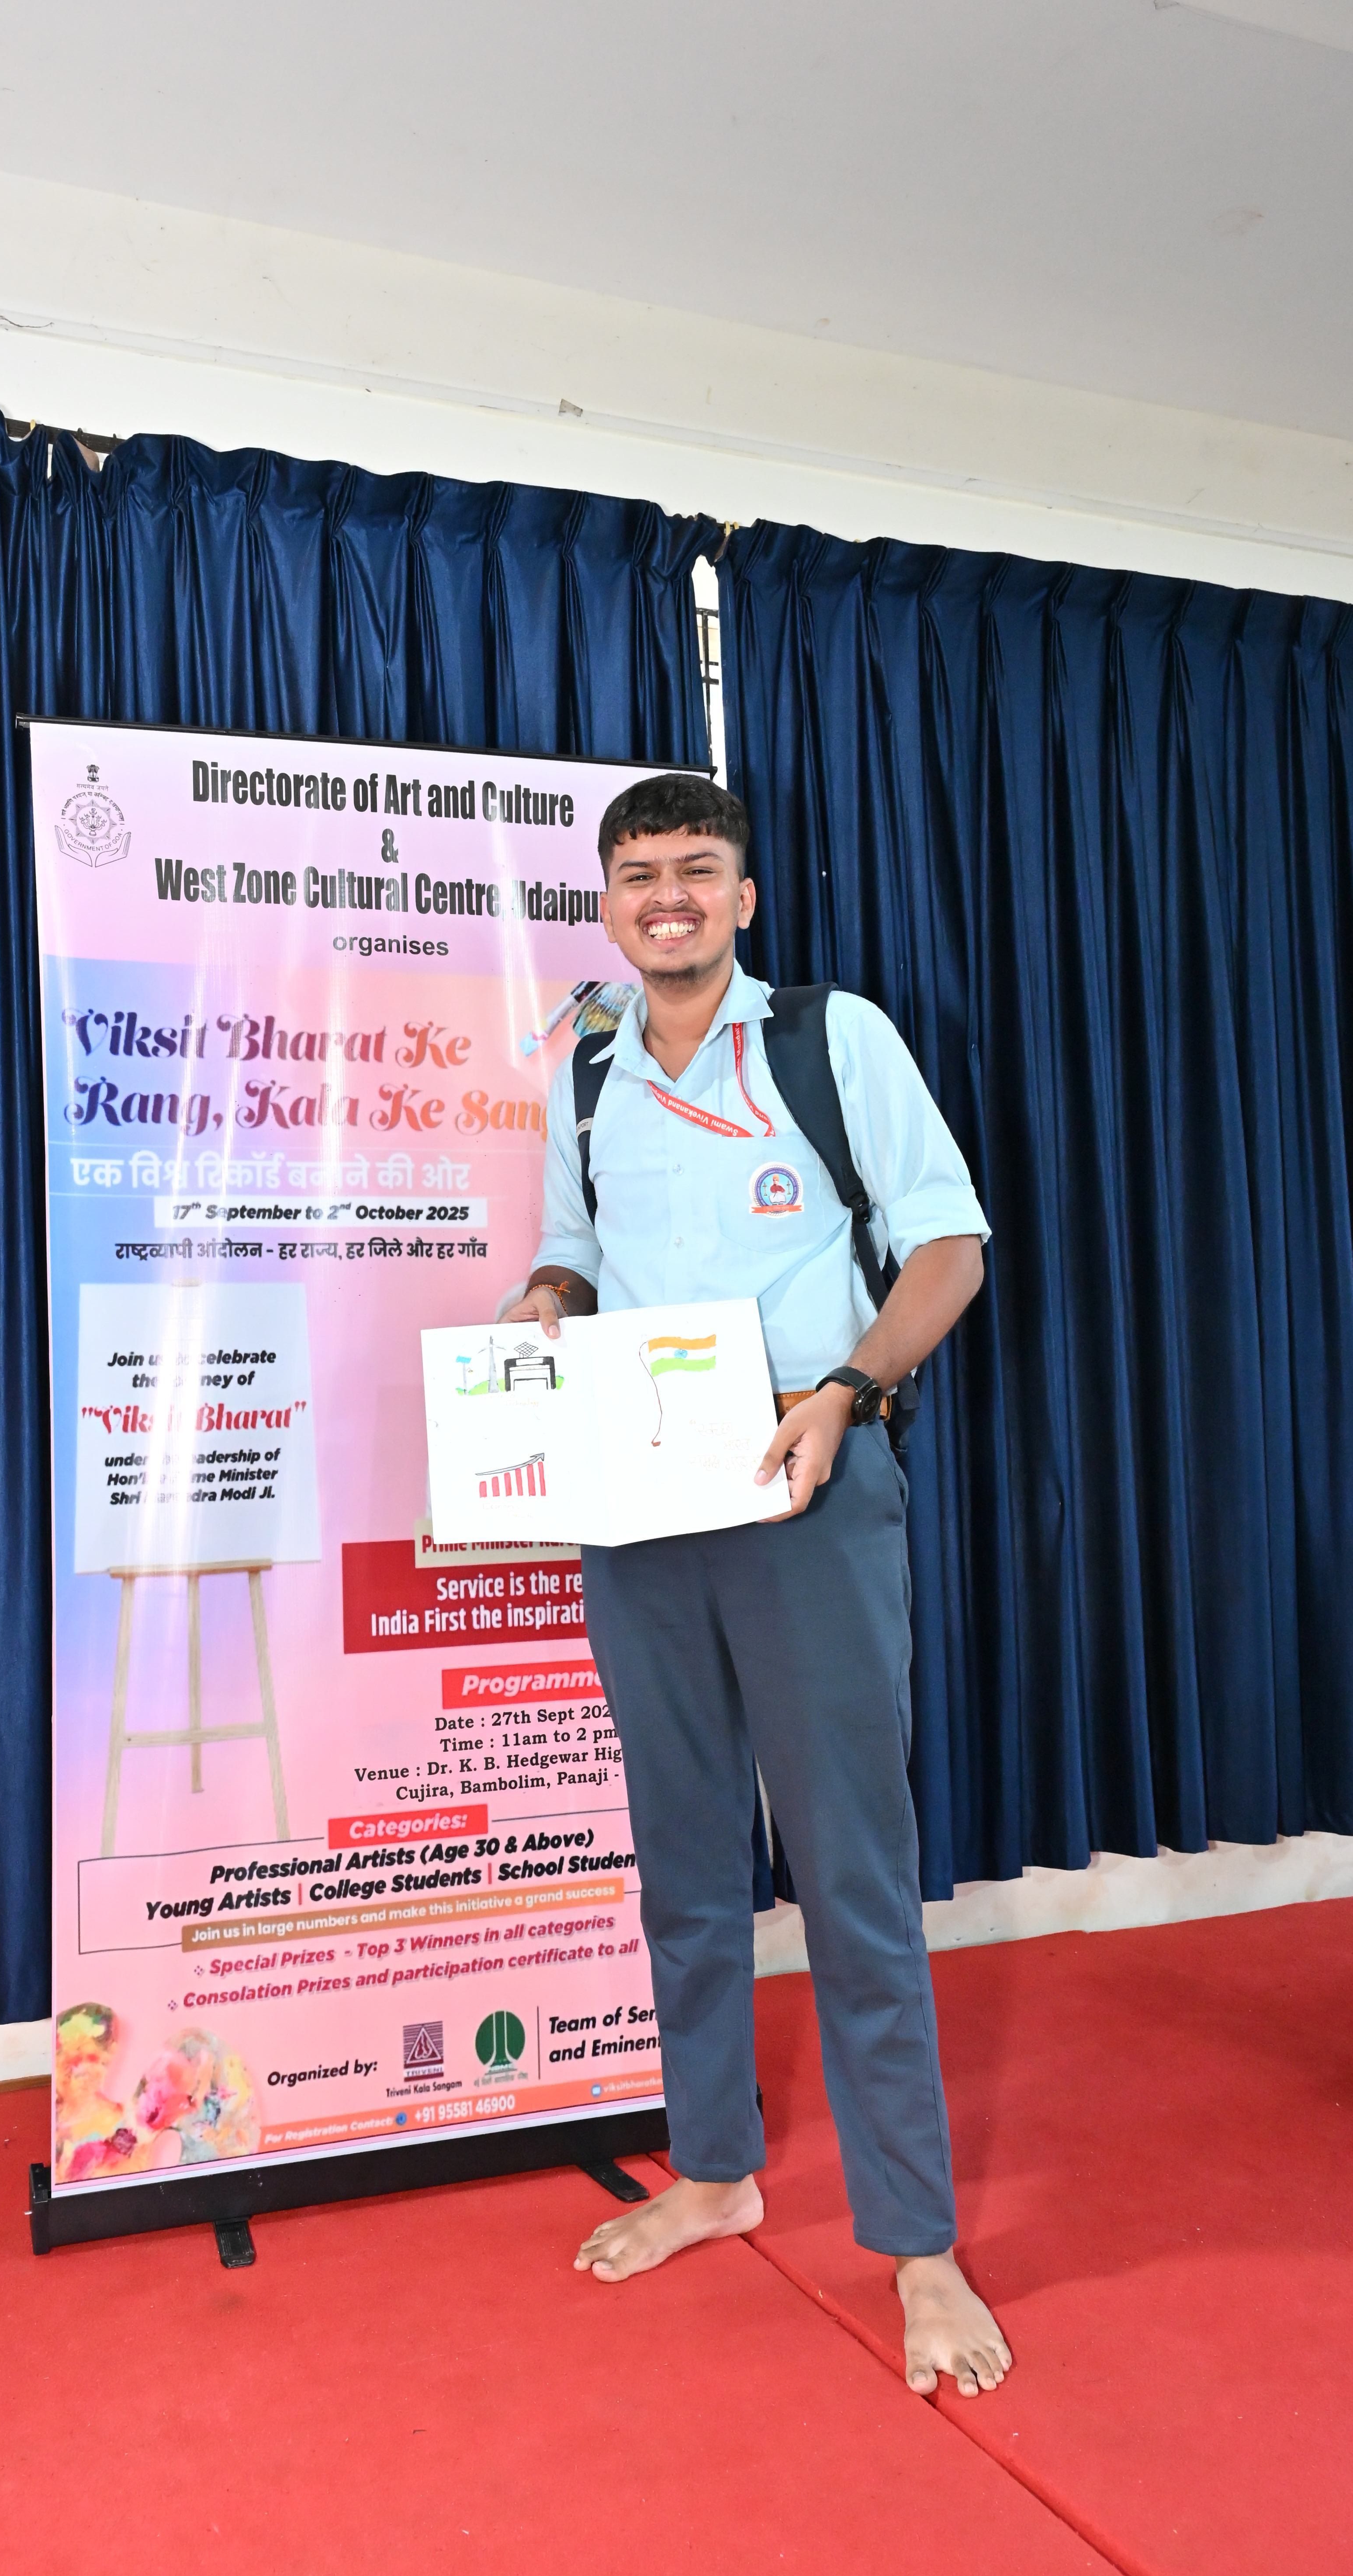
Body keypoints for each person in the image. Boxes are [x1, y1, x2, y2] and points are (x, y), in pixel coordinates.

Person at [503, 770, 1010, 2400]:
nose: (667, 896)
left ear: (743, 897)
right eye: (638, 873)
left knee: (853, 1871)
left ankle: (918, 2246)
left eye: (696, 870)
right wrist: (545, 1300)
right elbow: (578, 1251)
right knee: (683, 1861)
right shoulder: (588, 1074)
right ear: (607, 903)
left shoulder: (828, 1039)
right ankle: (716, 2171)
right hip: (637, 1498)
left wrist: (849, 1391)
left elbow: (949, 1251)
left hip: (808, 1481)